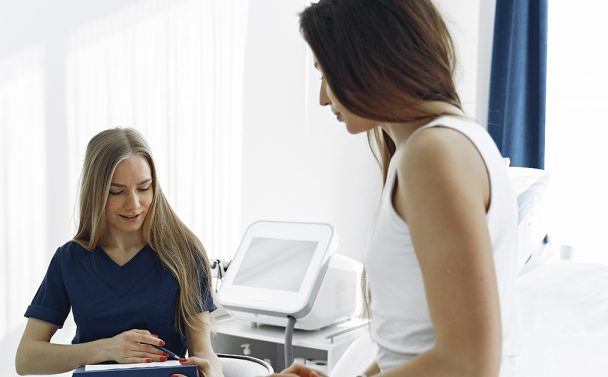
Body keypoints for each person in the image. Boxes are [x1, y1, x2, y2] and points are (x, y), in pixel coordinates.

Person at [186, 0, 520, 376]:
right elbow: (411, 343)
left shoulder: (434, 153)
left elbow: (469, 361)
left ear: (369, 60)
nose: (323, 97)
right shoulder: (437, 146)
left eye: (326, 74)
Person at [15, 128, 222, 376]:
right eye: (117, 191)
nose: (133, 204)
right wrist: (107, 349)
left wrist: (210, 373)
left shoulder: (184, 254)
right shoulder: (69, 259)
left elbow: (203, 352)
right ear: (96, 191)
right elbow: (26, 359)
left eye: (144, 188)